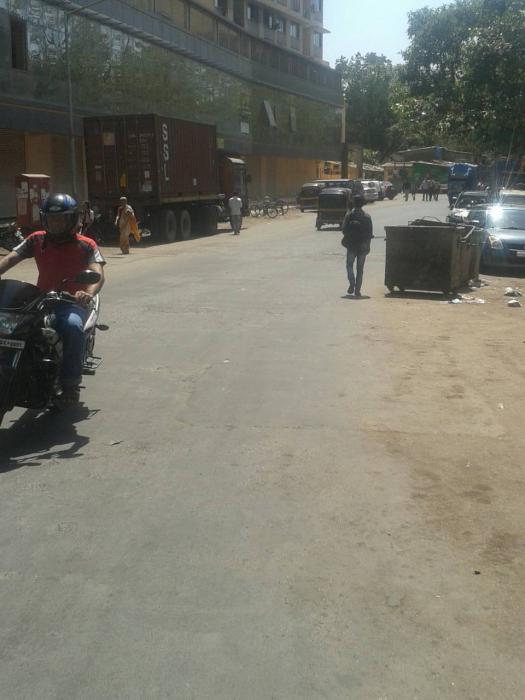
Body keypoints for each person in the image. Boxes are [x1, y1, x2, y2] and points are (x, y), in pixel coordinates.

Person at [0, 193, 105, 405]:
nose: (55, 224)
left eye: (61, 219)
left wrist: (88, 293)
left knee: (72, 327)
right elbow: (10, 259)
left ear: (72, 219)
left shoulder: (86, 244)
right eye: (51, 219)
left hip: (71, 302)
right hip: (39, 300)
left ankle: (70, 385)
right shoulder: (37, 239)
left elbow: (98, 273)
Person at [341, 195, 373, 298]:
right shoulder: (367, 217)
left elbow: (343, 230)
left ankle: (352, 282)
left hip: (351, 245)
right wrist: (367, 246)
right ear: (363, 204)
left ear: (354, 203)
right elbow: (370, 234)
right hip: (363, 245)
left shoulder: (349, 215)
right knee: (360, 269)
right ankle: (357, 290)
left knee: (349, 265)